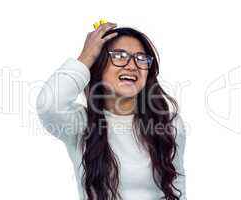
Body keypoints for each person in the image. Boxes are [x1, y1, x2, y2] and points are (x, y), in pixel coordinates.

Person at [36, 21, 187, 200]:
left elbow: (177, 188)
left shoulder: (169, 124)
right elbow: (49, 103)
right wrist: (86, 57)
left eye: (141, 58)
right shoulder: (81, 124)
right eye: (119, 56)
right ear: (99, 66)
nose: (132, 66)